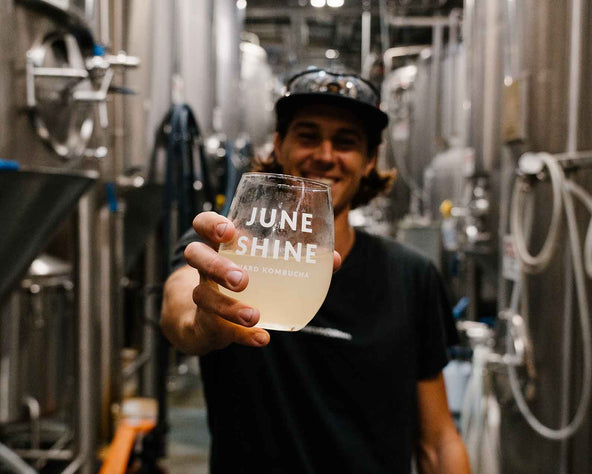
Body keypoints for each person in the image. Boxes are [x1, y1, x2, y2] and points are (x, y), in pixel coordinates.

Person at [160, 68, 470, 473]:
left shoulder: (412, 276)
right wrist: (201, 321)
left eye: (346, 142)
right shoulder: (226, 251)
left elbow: (438, 439)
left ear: (370, 159)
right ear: (278, 145)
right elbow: (179, 303)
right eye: (307, 135)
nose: (325, 155)